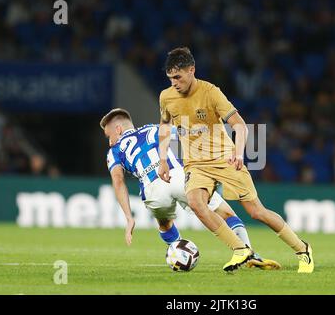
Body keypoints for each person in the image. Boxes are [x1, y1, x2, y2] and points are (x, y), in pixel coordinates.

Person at [158, 47, 314, 272]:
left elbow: (239, 125)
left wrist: (238, 152)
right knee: (196, 203)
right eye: (170, 78)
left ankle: (303, 249)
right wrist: (163, 159)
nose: (174, 83)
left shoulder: (211, 92)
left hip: (225, 159)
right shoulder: (166, 96)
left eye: (178, 77)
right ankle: (240, 249)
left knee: (256, 212)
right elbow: (165, 126)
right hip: (196, 164)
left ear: (192, 70)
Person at [99, 108, 281, 270]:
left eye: (109, 137)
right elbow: (188, 135)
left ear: (119, 129)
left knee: (165, 223)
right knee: (227, 214)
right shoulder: (154, 128)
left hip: (152, 191)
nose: (109, 142)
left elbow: (118, 180)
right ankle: (249, 254)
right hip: (177, 176)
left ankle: (179, 255)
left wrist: (129, 217)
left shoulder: (114, 152)